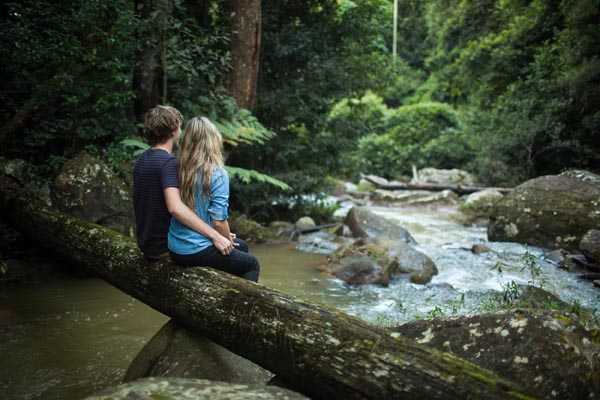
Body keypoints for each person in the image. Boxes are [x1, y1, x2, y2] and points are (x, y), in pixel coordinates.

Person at [133, 105, 234, 261]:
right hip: (166, 245)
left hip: (146, 243)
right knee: (242, 254)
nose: (181, 133)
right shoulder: (169, 164)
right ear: (173, 131)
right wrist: (215, 235)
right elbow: (175, 207)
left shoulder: (142, 159)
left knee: (236, 245)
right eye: (180, 128)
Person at [168, 116, 260, 282]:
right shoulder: (217, 174)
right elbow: (218, 221)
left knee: (242, 246)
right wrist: (222, 237)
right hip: (195, 249)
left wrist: (224, 236)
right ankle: (238, 305)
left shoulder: (176, 167)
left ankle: (226, 288)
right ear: (213, 140)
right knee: (252, 264)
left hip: (176, 246)